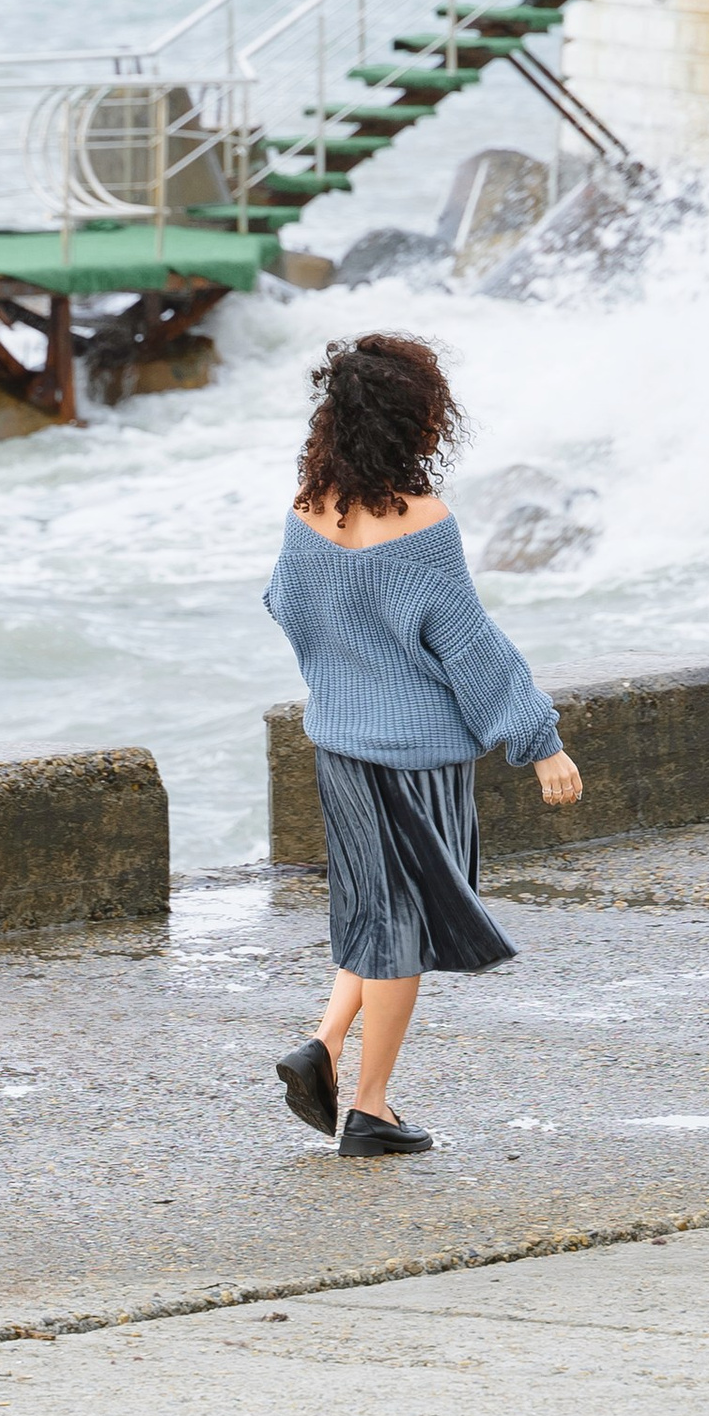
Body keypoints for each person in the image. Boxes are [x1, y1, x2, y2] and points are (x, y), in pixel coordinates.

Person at [263, 330, 579, 1158]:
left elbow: (286, 606)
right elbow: (470, 646)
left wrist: (346, 672)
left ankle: (325, 1045)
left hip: (339, 745)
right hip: (418, 755)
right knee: (400, 929)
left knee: (377, 911)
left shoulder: (307, 511)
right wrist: (539, 740)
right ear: (415, 424)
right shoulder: (424, 523)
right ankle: (369, 1107)